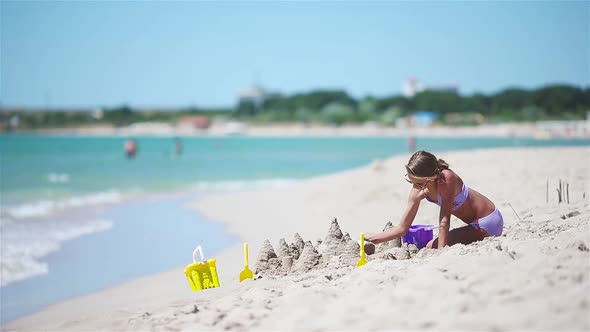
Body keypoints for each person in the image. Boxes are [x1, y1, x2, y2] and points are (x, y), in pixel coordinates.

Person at [365, 150, 503, 249]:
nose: (414, 186)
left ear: (430, 178)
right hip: (473, 224)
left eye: (419, 183)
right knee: (432, 244)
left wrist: (441, 253)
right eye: (410, 180)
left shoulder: (446, 179)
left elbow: (444, 220)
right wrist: (375, 238)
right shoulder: (417, 191)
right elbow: (403, 227)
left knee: (432, 246)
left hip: (488, 220)